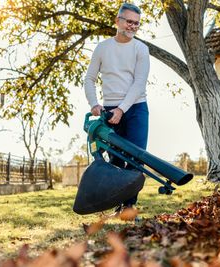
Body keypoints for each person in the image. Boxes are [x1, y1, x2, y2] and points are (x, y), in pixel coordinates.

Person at [84, 3, 150, 213]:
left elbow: (139, 83)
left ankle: (129, 208)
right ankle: (116, 206)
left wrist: (122, 109)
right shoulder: (103, 48)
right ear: (117, 21)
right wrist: (94, 103)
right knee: (116, 158)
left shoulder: (141, 49)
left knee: (136, 158)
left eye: (136, 24)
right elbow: (89, 79)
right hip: (110, 108)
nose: (132, 26)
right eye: (129, 21)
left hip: (136, 108)